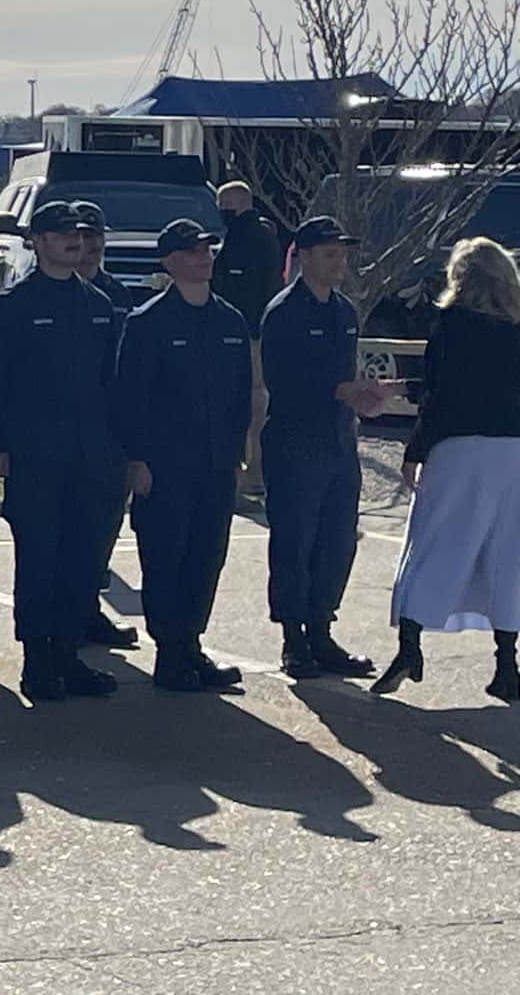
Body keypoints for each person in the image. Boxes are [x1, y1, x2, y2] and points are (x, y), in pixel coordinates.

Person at [0, 201, 122, 703]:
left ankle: (69, 655)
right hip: (35, 456)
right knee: (40, 562)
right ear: (37, 242)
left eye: (78, 233)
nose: (74, 241)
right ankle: (37, 661)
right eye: (60, 233)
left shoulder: (97, 304)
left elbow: (111, 383)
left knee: (82, 562)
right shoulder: (13, 306)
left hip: (89, 456)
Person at [375, 237, 520, 702]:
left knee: (434, 543)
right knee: (508, 554)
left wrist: (415, 450)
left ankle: (410, 647)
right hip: (513, 449)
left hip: (459, 448)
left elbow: (442, 394)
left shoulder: (453, 324)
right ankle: (506, 664)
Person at [112, 219, 253, 693]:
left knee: (206, 558)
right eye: (192, 252)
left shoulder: (229, 321)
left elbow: (240, 396)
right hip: (165, 467)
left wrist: (238, 457)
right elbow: (130, 398)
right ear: (170, 261)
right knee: (166, 559)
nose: (203, 258)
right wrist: (136, 459)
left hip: (215, 464)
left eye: (207, 250)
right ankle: (170, 655)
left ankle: (191, 645)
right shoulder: (148, 322)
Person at [260, 216, 388, 680]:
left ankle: (321, 629)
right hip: (296, 442)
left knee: (337, 541)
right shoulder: (284, 312)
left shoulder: (344, 312)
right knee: (295, 541)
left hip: (338, 441)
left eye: (343, 255)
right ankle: (293, 638)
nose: (340, 264)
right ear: (305, 256)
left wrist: (365, 398)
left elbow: (347, 376)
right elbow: (282, 381)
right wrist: (339, 391)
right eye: (331, 254)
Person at [72, 201, 140, 651]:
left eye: (96, 234)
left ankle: (88, 611)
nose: (90, 243)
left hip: (110, 434)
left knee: (103, 527)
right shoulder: (48, 292)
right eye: (82, 235)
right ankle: (64, 618)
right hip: (65, 433)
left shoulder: (118, 295)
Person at [213, 180, 282, 494]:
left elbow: (241, 287)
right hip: (252, 331)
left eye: (225, 206)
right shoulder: (261, 234)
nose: (222, 212)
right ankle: (251, 473)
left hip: (248, 333)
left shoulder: (248, 237)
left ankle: (252, 474)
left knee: (253, 404)